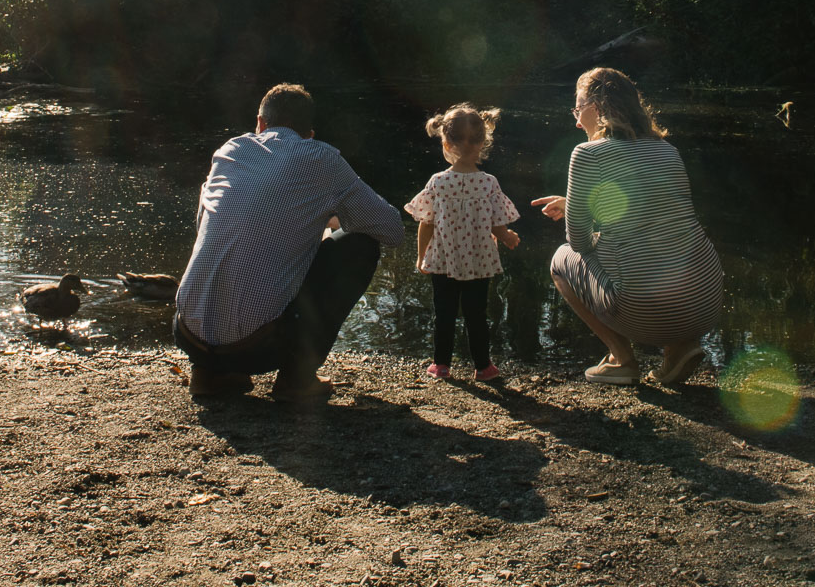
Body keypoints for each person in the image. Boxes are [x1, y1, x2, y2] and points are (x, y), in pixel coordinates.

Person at [174, 83, 405, 403]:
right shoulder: (322, 158)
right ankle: (296, 379)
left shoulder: (229, 151)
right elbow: (392, 230)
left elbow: (204, 224)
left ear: (260, 123)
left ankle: (209, 373)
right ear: (309, 133)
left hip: (187, 335)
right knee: (360, 246)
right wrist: (332, 221)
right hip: (257, 348)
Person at [531, 67, 723, 386]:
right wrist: (577, 204)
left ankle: (622, 360)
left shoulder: (587, 154)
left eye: (578, 109)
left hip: (644, 308)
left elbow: (579, 242)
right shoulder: (667, 150)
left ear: (597, 107)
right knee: (655, 254)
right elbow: (650, 216)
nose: (577, 121)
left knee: (560, 260)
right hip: (705, 298)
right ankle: (681, 346)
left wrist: (577, 215)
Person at [404, 104, 521, 382]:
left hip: (443, 259)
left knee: (443, 313)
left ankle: (441, 365)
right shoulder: (488, 183)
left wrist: (421, 258)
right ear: (482, 143)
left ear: (446, 142)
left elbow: (426, 223)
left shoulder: (439, 182)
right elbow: (495, 221)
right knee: (476, 314)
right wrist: (506, 236)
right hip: (479, 260)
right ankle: (483, 367)